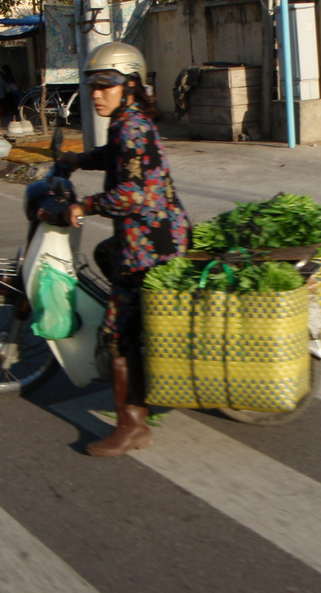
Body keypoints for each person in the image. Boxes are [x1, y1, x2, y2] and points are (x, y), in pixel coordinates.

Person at [59, 42, 190, 457]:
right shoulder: (126, 124)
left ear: (130, 86)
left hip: (149, 244)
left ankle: (133, 427)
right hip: (153, 234)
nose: (96, 93)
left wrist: (86, 205)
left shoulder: (130, 126)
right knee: (104, 256)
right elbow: (116, 159)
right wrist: (78, 161)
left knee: (117, 332)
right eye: (92, 85)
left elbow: (131, 194)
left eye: (106, 85)